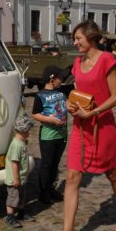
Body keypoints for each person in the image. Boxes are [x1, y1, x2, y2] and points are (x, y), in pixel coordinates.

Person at [44, 20, 116, 231]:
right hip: (81, 128)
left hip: (103, 127)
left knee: (112, 174)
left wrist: (93, 112)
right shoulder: (78, 62)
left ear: (90, 38)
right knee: (72, 177)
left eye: (78, 38)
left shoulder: (106, 59)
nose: (75, 42)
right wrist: (73, 105)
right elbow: (78, 92)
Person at [32, 65, 69, 205]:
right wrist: (50, 119)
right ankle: (43, 192)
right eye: (60, 78)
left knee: (55, 164)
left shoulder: (62, 92)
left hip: (62, 135)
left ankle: (51, 188)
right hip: (48, 136)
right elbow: (35, 114)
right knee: (46, 164)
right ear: (52, 79)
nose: (62, 80)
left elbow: (67, 105)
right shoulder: (40, 95)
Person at [4, 114, 34, 228]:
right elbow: (14, 163)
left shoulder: (21, 143)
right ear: (23, 131)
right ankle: (10, 217)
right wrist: (16, 178)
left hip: (21, 177)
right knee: (13, 198)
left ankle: (21, 213)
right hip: (14, 179)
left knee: (22, 196)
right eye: (28, 130)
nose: (30, 133)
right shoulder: (16, 145)